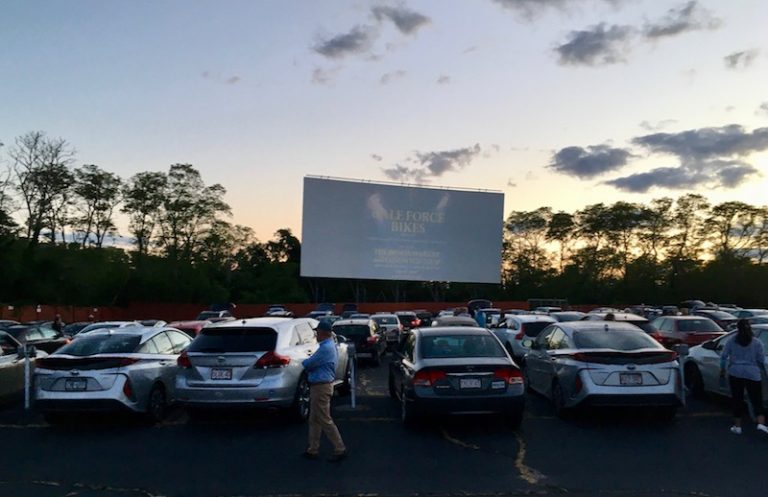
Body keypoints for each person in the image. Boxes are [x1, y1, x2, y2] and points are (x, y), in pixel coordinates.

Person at [301, 320, 347, 461]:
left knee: (324, 419)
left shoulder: (324, 348)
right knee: (315, 419)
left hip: (320, 387)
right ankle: (312, 449)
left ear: (322, 333)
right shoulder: (329, 346)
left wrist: (306, 360)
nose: (316, 335)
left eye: (317, 332)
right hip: (321, 386)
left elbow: (308, 363)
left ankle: (340, 448)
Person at [720, 319, 768, 435]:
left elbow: (724, 356)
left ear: (738, 328)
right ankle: (761, 423)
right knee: (756, 399)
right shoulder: (757, 342)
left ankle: (738, 426)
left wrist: (722, 370)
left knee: (737, 399)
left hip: (735, 372)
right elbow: (761, 359)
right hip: (752, 373)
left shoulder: (732, 341)